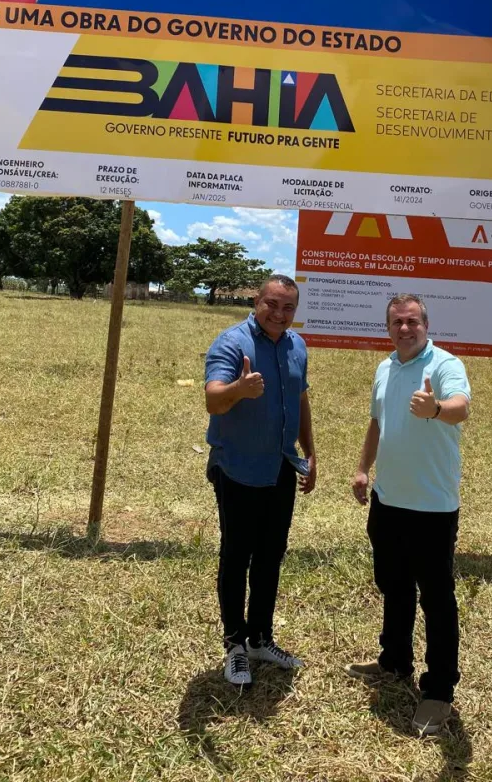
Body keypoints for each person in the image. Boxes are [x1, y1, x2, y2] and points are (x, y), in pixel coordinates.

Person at [347, 293, 471, 735]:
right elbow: (377, 422)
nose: (405, 328)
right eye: (397, 321)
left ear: (426, 323)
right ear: (388, 327)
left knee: (437, 601)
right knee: (394, 587)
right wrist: (363, 468)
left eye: (412, 321)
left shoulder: (444, 365)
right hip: (387, 501)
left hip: (432, 509)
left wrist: (436, 409)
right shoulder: (385, 368)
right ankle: (394, 662)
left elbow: (461, 408)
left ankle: (438, 692)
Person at [204, 274, 317, 687]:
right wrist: (239, 387)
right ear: (257, 301)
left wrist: (310, 452)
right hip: (238, 469)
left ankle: (260, 638)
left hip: (281, 468)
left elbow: (300, 398)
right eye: (272, 304)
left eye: (288, 308)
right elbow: (213, 399)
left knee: (270, 557)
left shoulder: (297, 345)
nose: (279, 314)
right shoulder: (232, 343)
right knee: (237, 557)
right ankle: (235, 645)